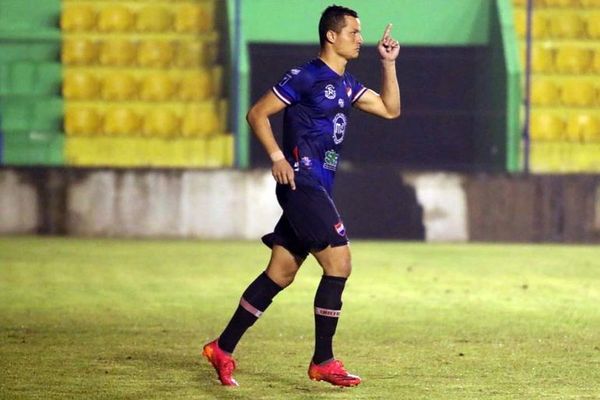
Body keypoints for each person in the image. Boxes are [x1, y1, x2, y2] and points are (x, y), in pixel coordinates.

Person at [203, 4, 400, 388]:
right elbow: (257, 113)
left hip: (318, 187)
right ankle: (323, 360)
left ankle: (222, 348)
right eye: (354, 33)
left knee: (281, 272)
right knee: (339, 263)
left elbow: (391, 110)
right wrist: (278, 157)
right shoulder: (307, 76)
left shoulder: (347, 84)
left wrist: (388, 63)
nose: (361, 39)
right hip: (301, 185)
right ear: (332, 35)